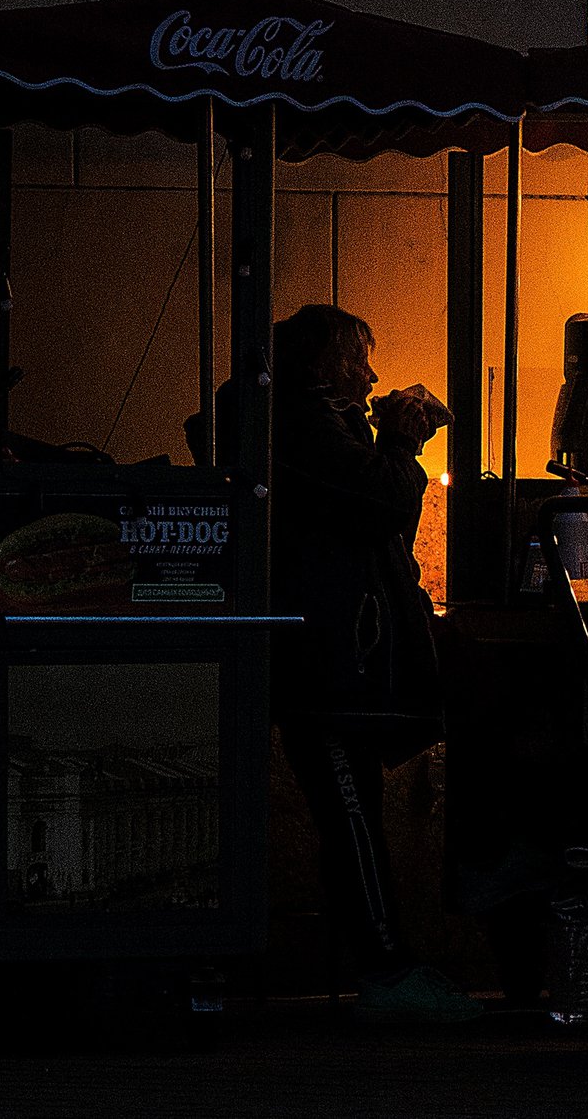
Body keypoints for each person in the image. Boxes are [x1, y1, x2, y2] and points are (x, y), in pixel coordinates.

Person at [189, 305, 478, 1023]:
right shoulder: (296, 419)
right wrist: (402, 437)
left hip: (333, 651)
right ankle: (385, 968)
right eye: (358, 358)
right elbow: (379, 503)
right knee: (349, 808)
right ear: (320, 363)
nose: (371, 375)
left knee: (353, 808)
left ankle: (385, 962)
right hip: (327, 656)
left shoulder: (292, 419)